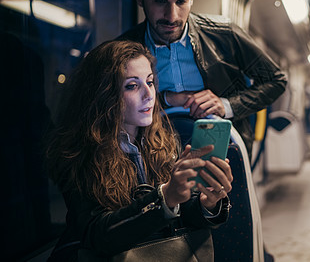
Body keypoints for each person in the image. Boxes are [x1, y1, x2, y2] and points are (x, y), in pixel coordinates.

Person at [45, 40, 232, 261]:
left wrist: (207, 202)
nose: (149, 94)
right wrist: (164, 198)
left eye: (150, 82)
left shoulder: (165, 141)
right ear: (104, 94)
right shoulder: (78, 153)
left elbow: (182, 218)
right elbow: (98, 235)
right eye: (132, 86)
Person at [117, 0, 287, 154]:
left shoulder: (225, 34)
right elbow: (109, 106)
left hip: (221, 151)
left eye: (181, 1)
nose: (172, 16)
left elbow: (276, 80)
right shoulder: (122, 49)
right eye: (160, 1)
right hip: (150, 154)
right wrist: (167, 99)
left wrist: (226, 105)